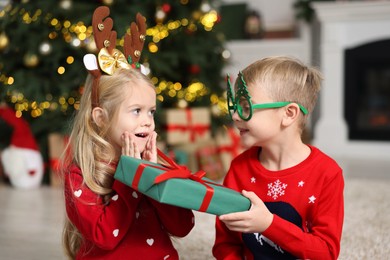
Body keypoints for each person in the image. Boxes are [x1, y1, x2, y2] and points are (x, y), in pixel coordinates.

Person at [62, 6, 194, 259]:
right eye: (136, 111)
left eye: (151, 112)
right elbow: (104, 236)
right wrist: (130, 174)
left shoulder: (155, 161)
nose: (147, 121)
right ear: (101, 118)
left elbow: (182, 226)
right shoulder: (81, 173)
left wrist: (154, 175)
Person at [213, 56, 344, 260]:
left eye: (247, 107)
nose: (236, 116)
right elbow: (226, 243)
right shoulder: (239, 168)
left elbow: (326, 252)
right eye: (236, 108)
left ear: (289, 113)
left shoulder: (327, 174)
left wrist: (269, 225)